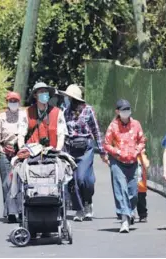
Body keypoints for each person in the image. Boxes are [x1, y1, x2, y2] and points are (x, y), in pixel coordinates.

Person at [62, 84, 108, 222]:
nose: (68, 100)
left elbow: (96, 131)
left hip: (86, 148)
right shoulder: (66, 112)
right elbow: (63, 131)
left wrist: (102, 151)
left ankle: (88, 202)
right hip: (71, 148)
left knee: (84, 179)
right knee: (73, 180)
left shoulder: (88, 111)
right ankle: (79, 209)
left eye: (70, 97)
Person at [103, 99, 146, 233]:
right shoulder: (113, 126)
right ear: (117, 111)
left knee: (133, 193)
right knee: (121, 189)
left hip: (132, 162)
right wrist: (118, 152)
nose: (126, 111)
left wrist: (136, 150)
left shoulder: (136, 124)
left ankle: (129, 210)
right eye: (123, 109)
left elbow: (142, 141)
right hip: (117, 162)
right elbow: (107, 144)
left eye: (128, 109)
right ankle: (124, 220)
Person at [0, 91, 24, 222]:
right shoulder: (1, 117)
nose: (13, 103)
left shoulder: (23, 116)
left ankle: (21, 210)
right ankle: (10, 211)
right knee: (6, 183)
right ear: (7, 102)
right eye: (11, 101)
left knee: (20, 181)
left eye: (15, 101)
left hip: (19, 152)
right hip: (5, 151)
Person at [17, 82, 67, 150]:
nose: (44, 94)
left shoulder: (58, 113)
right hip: (32, 152)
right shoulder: (26, 113)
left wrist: (58, 150)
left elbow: (61, 135)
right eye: (41, 92)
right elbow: (21, 134)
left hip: (52, 151)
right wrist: (22, 149)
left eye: (46, 92)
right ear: (35, 95)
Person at [136, 150, 150, 222]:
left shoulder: (141, 155)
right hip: (129, 182)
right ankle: (129, 214)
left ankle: (143, 214)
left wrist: (142, 154)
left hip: (140, 184)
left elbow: (147, 164)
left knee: (141, 199)